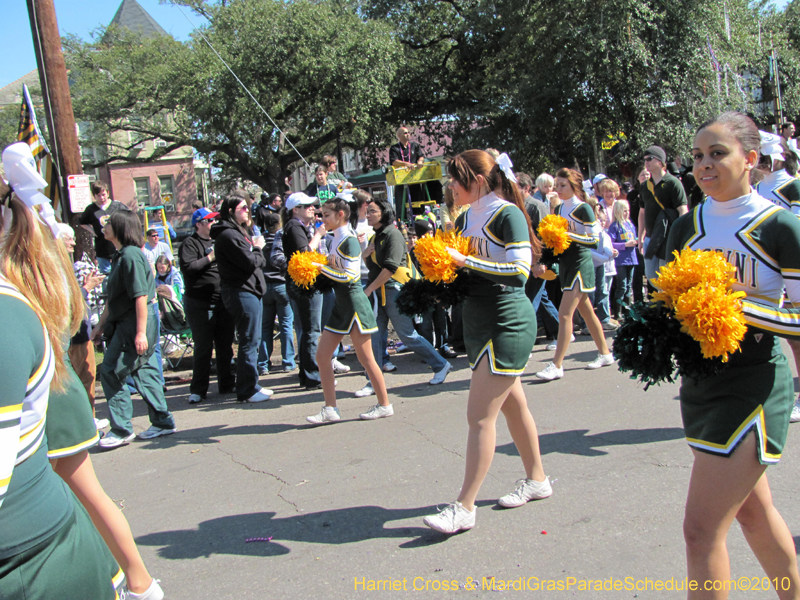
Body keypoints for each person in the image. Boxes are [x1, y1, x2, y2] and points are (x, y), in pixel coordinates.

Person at [666, 111, 800, 599]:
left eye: (718, 153)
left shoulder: (780, 227)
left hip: (754, 386)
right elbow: (667, 305)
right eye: (698, 155)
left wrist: (736, 308)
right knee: (753, 514)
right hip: (701, 385)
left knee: (700, 531)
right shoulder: (686, 227)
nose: (704, 164)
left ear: (751, 159)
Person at [0, 145, 123, 599]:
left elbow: (74, 325)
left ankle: (141, 580)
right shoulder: (46, 276)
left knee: (85, 493)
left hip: (56, 388)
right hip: (53, 382)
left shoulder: (31, 285)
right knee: (79, 494)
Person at [423, 150, 550, 534]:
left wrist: (463, 262)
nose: (451, 186)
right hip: (477, 323)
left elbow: (518, 272)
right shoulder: (466, 217)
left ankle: (464, 506)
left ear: (479, 179)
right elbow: (464, 271)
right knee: (514, 407)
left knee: (479, 417)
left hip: (506, 322)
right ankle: (538, 480)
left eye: (456, 178)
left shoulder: (506, 213)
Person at [90, 211, 177, 448]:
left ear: (119, 227)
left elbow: (141, 296)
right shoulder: (120, 255)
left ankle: (121, 429)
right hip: (128, 320)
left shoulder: (131, 255)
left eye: (108, 223)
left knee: (110, 369)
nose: (104, 226)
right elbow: (114, 299)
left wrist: (140, 333)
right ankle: (162, 421)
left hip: (136, 322)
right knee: (144, 370)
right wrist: (100, 326)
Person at [305, 198, 391, 423]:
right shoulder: (334, 239)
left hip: (354, 304)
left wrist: (321, 268)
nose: (322, 219)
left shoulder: (349, 240)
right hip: (341, 305)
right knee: (322, 356)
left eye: (326, 214)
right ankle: (330, 409)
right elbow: (335, 269)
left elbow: (350, 277)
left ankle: (384, 404)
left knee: (367, 359)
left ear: (340, 214)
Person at [357, 198, 453, 398]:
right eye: (368, 211)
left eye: (372, 211)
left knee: (407, 335)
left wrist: (368, 290)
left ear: (383, 213)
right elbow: (374, 268)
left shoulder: (393, 234)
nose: (368, 214)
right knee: (375, 336)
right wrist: (365, 255)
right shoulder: (376, 236)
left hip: (393, 291)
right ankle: (372, 381)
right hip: (378, 292)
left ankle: (441, 364)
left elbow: (390, 269)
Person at [535, 168, 615, 381]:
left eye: (563, 185)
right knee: (587, 312)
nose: (558, 189)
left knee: (564, 314)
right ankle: (606, 354)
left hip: (581, 264)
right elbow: (556, 241)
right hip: (566, 264)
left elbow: (594, 240)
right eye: (557, 185)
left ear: (574, 186)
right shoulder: (560, 208)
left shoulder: (583, 209)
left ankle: (556, 364)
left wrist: (568, 235)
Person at [211, 196, 273, 403]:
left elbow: (258, 261)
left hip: (248, 290)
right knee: (248, 340)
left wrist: (256, 251)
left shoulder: (238, 232)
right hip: (241, 291)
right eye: (243, 207)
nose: (248, 210)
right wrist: (257, 248)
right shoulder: (228, 235)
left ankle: (251, 384)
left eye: (248, 207)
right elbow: (251, 262)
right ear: (230, 211)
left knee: (252, 339)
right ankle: (246, 390)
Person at [178, 207, 236, 404]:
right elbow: (189, 268)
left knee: (225, 345)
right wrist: (210, 258)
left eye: (214, 220)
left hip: (223, 300)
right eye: (209, 221)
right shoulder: (190, 244)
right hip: (200, 303)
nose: (213, 224)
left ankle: (226, 383)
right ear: (198, 224)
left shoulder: (218, 241)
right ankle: (198, 390)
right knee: (203, 347)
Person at [57, 223, 106, 425]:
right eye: (69, 238)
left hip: (78, 331)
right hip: (73, 334)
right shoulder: (58, 266)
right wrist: (87, 288)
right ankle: (86, 422)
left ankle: (88, 419)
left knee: (85, 379)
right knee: (83, 379)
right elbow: (67, 301)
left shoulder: (64, 264)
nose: (73, 242)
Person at [282, 192, 328, 389]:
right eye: (306, 205)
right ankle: (312, 375)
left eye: (312, 205)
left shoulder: (300, 226)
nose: (312, 207)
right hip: (304, 284)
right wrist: (318, 235)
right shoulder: (294, 226)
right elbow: (305, 253)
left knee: (308, 329)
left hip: (304, 283)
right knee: (311, 330)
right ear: (295, 210)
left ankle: (307, 374)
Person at [637, 145, 689, 286]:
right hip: (650, 238)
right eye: (645, 160)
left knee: (667, 278)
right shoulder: (644, 186)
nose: (646, 162)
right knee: (652, 277)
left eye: (650, 159)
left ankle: (665, 306)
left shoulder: (673, 183)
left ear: (660, 162)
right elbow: (642, 213)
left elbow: (683, 211)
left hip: (668, 239)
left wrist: (679, 237)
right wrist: (640, 237)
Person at [518, 173, 560, 342]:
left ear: (526, 188)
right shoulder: (516, 206)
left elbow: (544, 237)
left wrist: (540, 262)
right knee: (541, 299)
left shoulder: (536, 206)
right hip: (524, 262)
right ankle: (562, 331)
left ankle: (525, 341)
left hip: (537, 262)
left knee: (530, 301)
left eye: (515, 187)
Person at [256, 210, 296, 376]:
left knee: (265, 327)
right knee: (286, 324)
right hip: (281, 285)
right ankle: (288, 362)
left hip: (264, 286)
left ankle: (263, 364)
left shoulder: (260, 242)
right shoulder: (282, 240)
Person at [79, 180, 129, 274]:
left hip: (118, 247)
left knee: (122, 272)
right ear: (94, 196)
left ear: (108, 193)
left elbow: (129, 217)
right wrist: (93, 231)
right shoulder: (91, 209)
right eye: (98, 196)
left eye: (103, 194)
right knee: (106, 276)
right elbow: (82, 222)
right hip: (102, 248)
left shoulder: (117, 206)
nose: (102, 198)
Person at [607, 199, 638, 315]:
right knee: (622, 286)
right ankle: (618, 313)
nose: (627, 213)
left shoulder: (630, 224)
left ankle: (628, 312)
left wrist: (636, 241)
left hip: (632, 258)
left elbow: (634, 237)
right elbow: (611, 243)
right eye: (624, 211)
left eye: (628, 210)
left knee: (629, 287)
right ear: (618, 211)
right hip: (621, 261)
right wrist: (625, 245)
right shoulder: (614, 226)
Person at [389, 126, 426, 220]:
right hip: (401, 181)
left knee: (418, 204)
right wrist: (406, 164)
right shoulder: (394, 148)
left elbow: (421, 156)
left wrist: (420, 161)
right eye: (405, 133)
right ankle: (402, 224)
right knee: (401, 206)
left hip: (414, 180)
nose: (408, 134)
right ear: (399, 135)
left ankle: (419, 222)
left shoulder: (414, 145)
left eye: (408, 132)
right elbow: (394, 161)